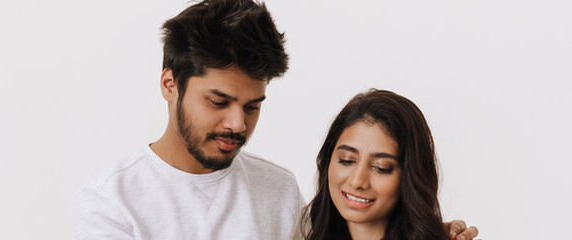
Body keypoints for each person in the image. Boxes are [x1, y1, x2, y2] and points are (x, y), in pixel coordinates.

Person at [76, 1, 478, 239]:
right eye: (219, 101)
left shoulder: (278, 189)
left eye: (253, 106)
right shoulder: (113, 200)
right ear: (170, 84)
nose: (238, 124)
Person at [295, 89, 479, 240]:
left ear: (410, 177)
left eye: (381, 168)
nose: (357, 181)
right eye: (347, 160)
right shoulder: (301, 231)